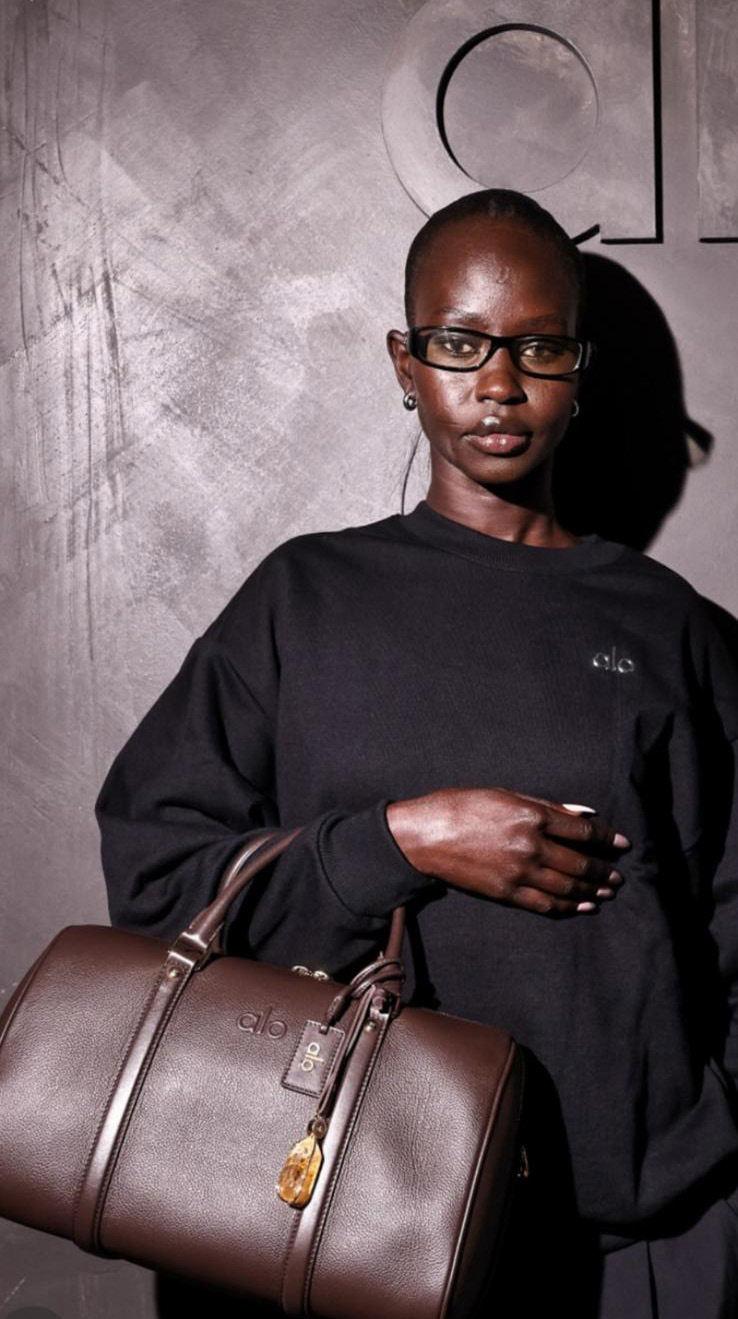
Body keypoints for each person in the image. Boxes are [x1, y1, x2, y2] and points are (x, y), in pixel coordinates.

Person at [96, 188, 738, 1318]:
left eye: (539, 346)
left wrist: (702, 1159)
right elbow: (155, 873)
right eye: (459, 343)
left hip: (623, 1240)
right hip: (341, 1226)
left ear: (579, 368)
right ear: (407, 361)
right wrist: (399, 842)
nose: (500, 382)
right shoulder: (306, 597)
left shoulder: (672, 627)